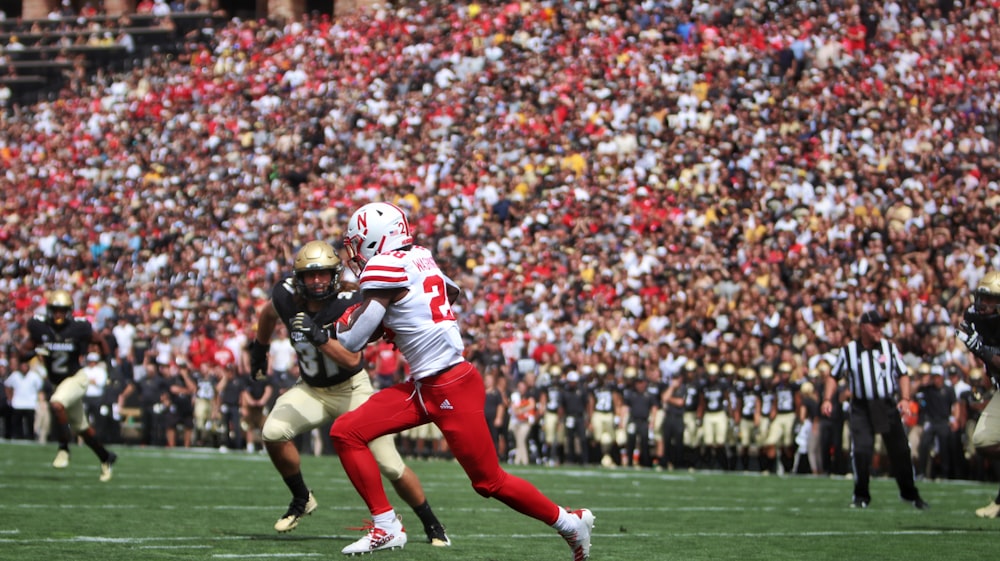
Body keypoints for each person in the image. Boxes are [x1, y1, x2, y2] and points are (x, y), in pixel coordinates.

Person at [328, 202, 594, 558]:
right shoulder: (419, 255)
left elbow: (352, 341)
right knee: (347, 431)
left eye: (358, 242)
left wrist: (350, 322)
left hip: (451, 386)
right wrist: (402, 318)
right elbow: (450, 291)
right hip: (428, 386)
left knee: (489, 482)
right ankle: (386, 526)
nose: (354, 251)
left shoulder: (385, 265)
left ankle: (568, 521)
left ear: (376, 239)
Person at [249, 239, 450, 545]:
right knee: (273, 432)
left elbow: (352, 358)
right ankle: (302, 498)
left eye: (323, 274)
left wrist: (318, 336)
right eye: (309, 275)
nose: (317, 281)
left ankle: (432, 524)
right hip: (312, 390)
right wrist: (259, 349)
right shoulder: (286, 295)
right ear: (299, 278)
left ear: (335, 274)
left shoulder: (350, 299)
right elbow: (267, 313)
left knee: (389, 464)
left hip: (352, 389)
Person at [821, 310, 928, 509]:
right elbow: (833, 376)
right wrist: (828, 399)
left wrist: (905, 398)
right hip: (861, 406)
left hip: (886, 404)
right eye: (875, 325)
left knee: (901, 451)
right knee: (861, 451)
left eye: (881, 325)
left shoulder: (889, 348)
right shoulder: (849, 351)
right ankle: (861, 495)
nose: (880, 329)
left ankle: (910, 493)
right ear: (863, 327)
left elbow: (903, 374)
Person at [18, 289, 118, 481]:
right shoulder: (42, 329)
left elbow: (100, 340)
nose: (58, 314)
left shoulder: (77, 328)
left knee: (56, 404)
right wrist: (35, 351)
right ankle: (106, 457)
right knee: (83, 428)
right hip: (59, 383)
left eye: (62, 310)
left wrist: (110, 366)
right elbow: (23, 353)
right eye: (55, 310)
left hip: (76, 379)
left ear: (69, 311)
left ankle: (64, 447)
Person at [957, 271, 1000, 517]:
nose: (982, 304)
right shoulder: (977, 319)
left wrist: (981, 349)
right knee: (983, 440)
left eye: (990, 298)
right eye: (982, 297)